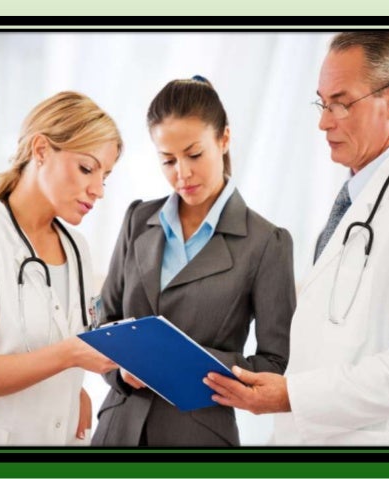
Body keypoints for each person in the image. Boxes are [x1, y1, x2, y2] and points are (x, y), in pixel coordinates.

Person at [204, 32, 389, 446]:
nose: (324, 122)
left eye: (341, 103)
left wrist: (294, 395)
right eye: (323, 103)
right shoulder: (358, 200)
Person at [90, 76, 296, 447]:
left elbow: (273, 363)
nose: (182, 173)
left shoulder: (267, 242)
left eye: (194, 155)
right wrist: (121, 372)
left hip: (199, 435)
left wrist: (182, 362)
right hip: (117, 430)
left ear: (224, 139)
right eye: (168, 160)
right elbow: (105, 322)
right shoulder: (138, 219)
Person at [0, 91, 123, 446]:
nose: (98, 190)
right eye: (86, 168)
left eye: (105, 177)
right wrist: (70, 355)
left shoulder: (77, 247)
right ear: (41, 150)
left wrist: (75, 392)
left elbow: (50, 337)